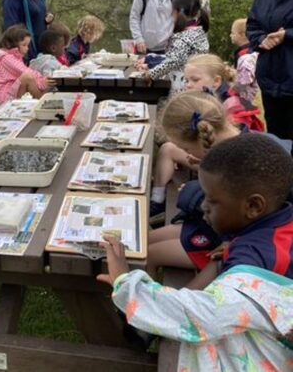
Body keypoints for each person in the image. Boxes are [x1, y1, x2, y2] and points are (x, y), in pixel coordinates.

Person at [99, 135, 293, 372]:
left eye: (212, 201)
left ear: (253, 206)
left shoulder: (255, 258)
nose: (203, 207)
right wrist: (232, 244)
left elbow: (202, 316)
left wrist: (126, 283)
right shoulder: (277, 224)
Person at [146, 92, 281, 288]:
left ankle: (143, 307)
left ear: (201, 138)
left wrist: (194, 194)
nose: (187, 154)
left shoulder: (245, 164)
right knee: (146, 243)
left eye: (185, 148)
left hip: (228, 240)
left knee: (151, 253)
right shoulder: (242, 144)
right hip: (214, 228)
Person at [247, 0, 293, 139]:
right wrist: (262, 39)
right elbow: (253, 24)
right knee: (278, 147)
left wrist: (287, 35)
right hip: (271, 82)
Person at [139, 0, 210, 94]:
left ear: (177, 12)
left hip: (183, 89)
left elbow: (173, 61)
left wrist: (151, 74)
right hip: (198, 85)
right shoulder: (199, 33)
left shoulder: (183, 37)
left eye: (172, 11)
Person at [0, 25, 47, 106]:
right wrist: (43, 81)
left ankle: (43, 101)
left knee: (31, 79)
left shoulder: (12, 56)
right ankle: (43, 104)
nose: (27, 48)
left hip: (10, 91)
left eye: (28, 45)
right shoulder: (6, 58)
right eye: (24, 45)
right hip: (4, 96)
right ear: (13, 44)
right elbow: (24, 71)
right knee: (27, 77)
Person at [229, 18, 260, 104]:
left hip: (247, 96)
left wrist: (233, 88)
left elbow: (244, 79)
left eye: (232, 33)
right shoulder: (250, 51)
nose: (230, 35)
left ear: (242, 34)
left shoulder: (246, 56)